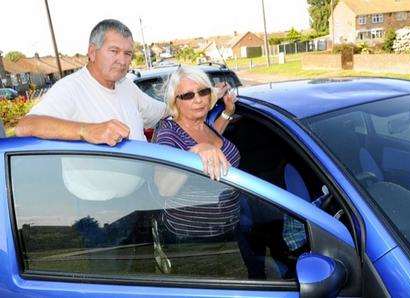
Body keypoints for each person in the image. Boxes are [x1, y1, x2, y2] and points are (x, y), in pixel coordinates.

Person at [15, 19, 235, 176]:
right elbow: (25, 126)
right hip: (102, 213)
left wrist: (209, 93)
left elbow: (167, 110)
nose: (122, 60)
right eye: (114, 51)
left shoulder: (126, 86)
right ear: (92, 52)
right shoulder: (71, 88)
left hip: (141, 197)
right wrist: (86, 131)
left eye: (128, 53)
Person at [151, 66, 241, 274]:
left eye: (203, 92)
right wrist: (194, 153)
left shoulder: (201, 124)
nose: (198, 99)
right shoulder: (168, 132)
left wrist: (227, 113)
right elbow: (164, 188)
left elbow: (213, 141)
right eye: (189, 95)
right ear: (176, 101)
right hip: (193, 241)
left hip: (228, 231)